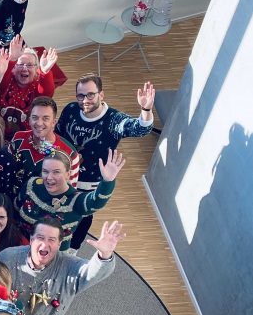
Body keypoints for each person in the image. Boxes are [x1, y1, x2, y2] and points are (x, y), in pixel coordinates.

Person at [0, 218, 124, 315]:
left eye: (51, 240)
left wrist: (105, 254)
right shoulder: (8, 257)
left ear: (59, 244)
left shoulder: (70, 266)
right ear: (31, 239)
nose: (45, 244)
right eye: (40, 238)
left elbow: (91, 272)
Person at [56, 75, 155, 248]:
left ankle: (72, 250)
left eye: (90, 95)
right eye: (80, 95)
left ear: (101, 95)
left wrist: (145, 110)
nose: (85, 100)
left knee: (82, 218)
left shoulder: (114, 119)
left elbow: (140, 129)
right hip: (63, 178)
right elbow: (57, 135)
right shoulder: (71, 109)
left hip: (89, 186)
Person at [16, 149, 125, 249]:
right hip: (19, 246)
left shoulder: (76, 200)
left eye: (56, 172)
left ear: (68, 174)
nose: (49, 177)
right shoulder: (32, 185)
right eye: (45, 171)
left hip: (53, 256)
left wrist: (107, 181)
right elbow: (16, 208)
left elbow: (96, 201)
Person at [9, 96, 79, 194]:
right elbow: (7, 171)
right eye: (35, 117)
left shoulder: (69, 153)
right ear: (29, 120)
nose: (39, 123)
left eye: (45, 118)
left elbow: (69, 193)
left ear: (54, 122)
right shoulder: (18, 139)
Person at [0, 37, 58, 139]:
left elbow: (46, 95)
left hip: (24, 139)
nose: (25, 68)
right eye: (21, 64)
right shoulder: (8, 78)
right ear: (14, 67)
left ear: (36, 69)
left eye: (30, 65)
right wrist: (12, 60)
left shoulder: (37, 84)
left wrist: (45, 72)